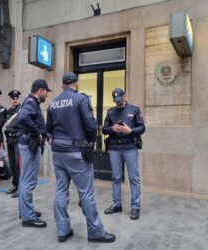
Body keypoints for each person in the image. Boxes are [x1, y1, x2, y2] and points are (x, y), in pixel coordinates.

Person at [47, 72, 116, 243]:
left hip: (58, 152)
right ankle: (96, 232)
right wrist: (91, 143)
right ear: (76, 83)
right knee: (86, 193)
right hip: (77, 152)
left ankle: (62, 230)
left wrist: (54, 143)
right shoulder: (80, 99)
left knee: (61, 190)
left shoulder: (53, 103)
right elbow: (90, 125)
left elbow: (48, 129)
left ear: (63, 84)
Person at [102, 88, 145, 220]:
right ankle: (116, 204)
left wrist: (130, 130)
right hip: (115, 148)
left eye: (120, 100)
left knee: (134, 178)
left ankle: (135, 206)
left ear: (125, 96)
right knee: (115, 177)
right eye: (116, 101)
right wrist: (112, 129)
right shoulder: (110, 112)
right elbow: (104, 129)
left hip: (130, 147)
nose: (118, 103)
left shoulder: (134, 110)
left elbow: (142, 127)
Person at [18, 79, 51, 228]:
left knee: (25, 180)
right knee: (29, 181)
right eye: (46, 92)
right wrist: (37, 132)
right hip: (30, 145)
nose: (46, 95)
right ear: (41, 91)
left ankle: (25, 210)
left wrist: (45, 134)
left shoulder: (31, 102)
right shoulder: (31, 103)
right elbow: (23, 118)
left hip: (28, 143)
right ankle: (28, 217)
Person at [5, 90, 22, 198]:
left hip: (18, 139)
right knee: (11, 164)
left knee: (18, 164)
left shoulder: (22, 110)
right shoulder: (9, 111)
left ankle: (20, 187)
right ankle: (14, 184)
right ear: (10, 100)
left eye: (17, 98)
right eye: (13, 99)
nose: (15, 100)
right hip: (9, 140)